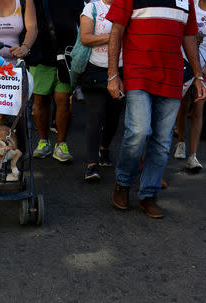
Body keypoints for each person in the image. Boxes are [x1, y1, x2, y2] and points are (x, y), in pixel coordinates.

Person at [107, 0, 206, 218]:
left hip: (172, 77)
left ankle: (148, 195)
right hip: (138, 73)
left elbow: (189, 37)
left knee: (162, 141)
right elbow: (117, 30)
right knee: (139, 131)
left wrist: (198, 75)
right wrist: (113, 74)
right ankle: (123, 183)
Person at [30, 1, 84, 162]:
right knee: (40, 100)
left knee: (63, 100)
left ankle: (61, 145)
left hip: (67, 57)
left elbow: (83, 24)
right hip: (41, 57)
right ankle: (43, 142)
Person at [79, 0, 123, 180]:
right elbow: (85, 38)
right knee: (95, 116)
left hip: (121, 69)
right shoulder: (92, 7)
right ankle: (92, 164)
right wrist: (114, 36)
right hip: (95, 69)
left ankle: (104, 148)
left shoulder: (126, 6)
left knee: (114, 116)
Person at [174, 0, 206, 171]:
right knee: (183, 105)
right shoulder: (189, 4)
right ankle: (181, 142)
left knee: (198, 109)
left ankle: (193, 156)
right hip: (185, 64)